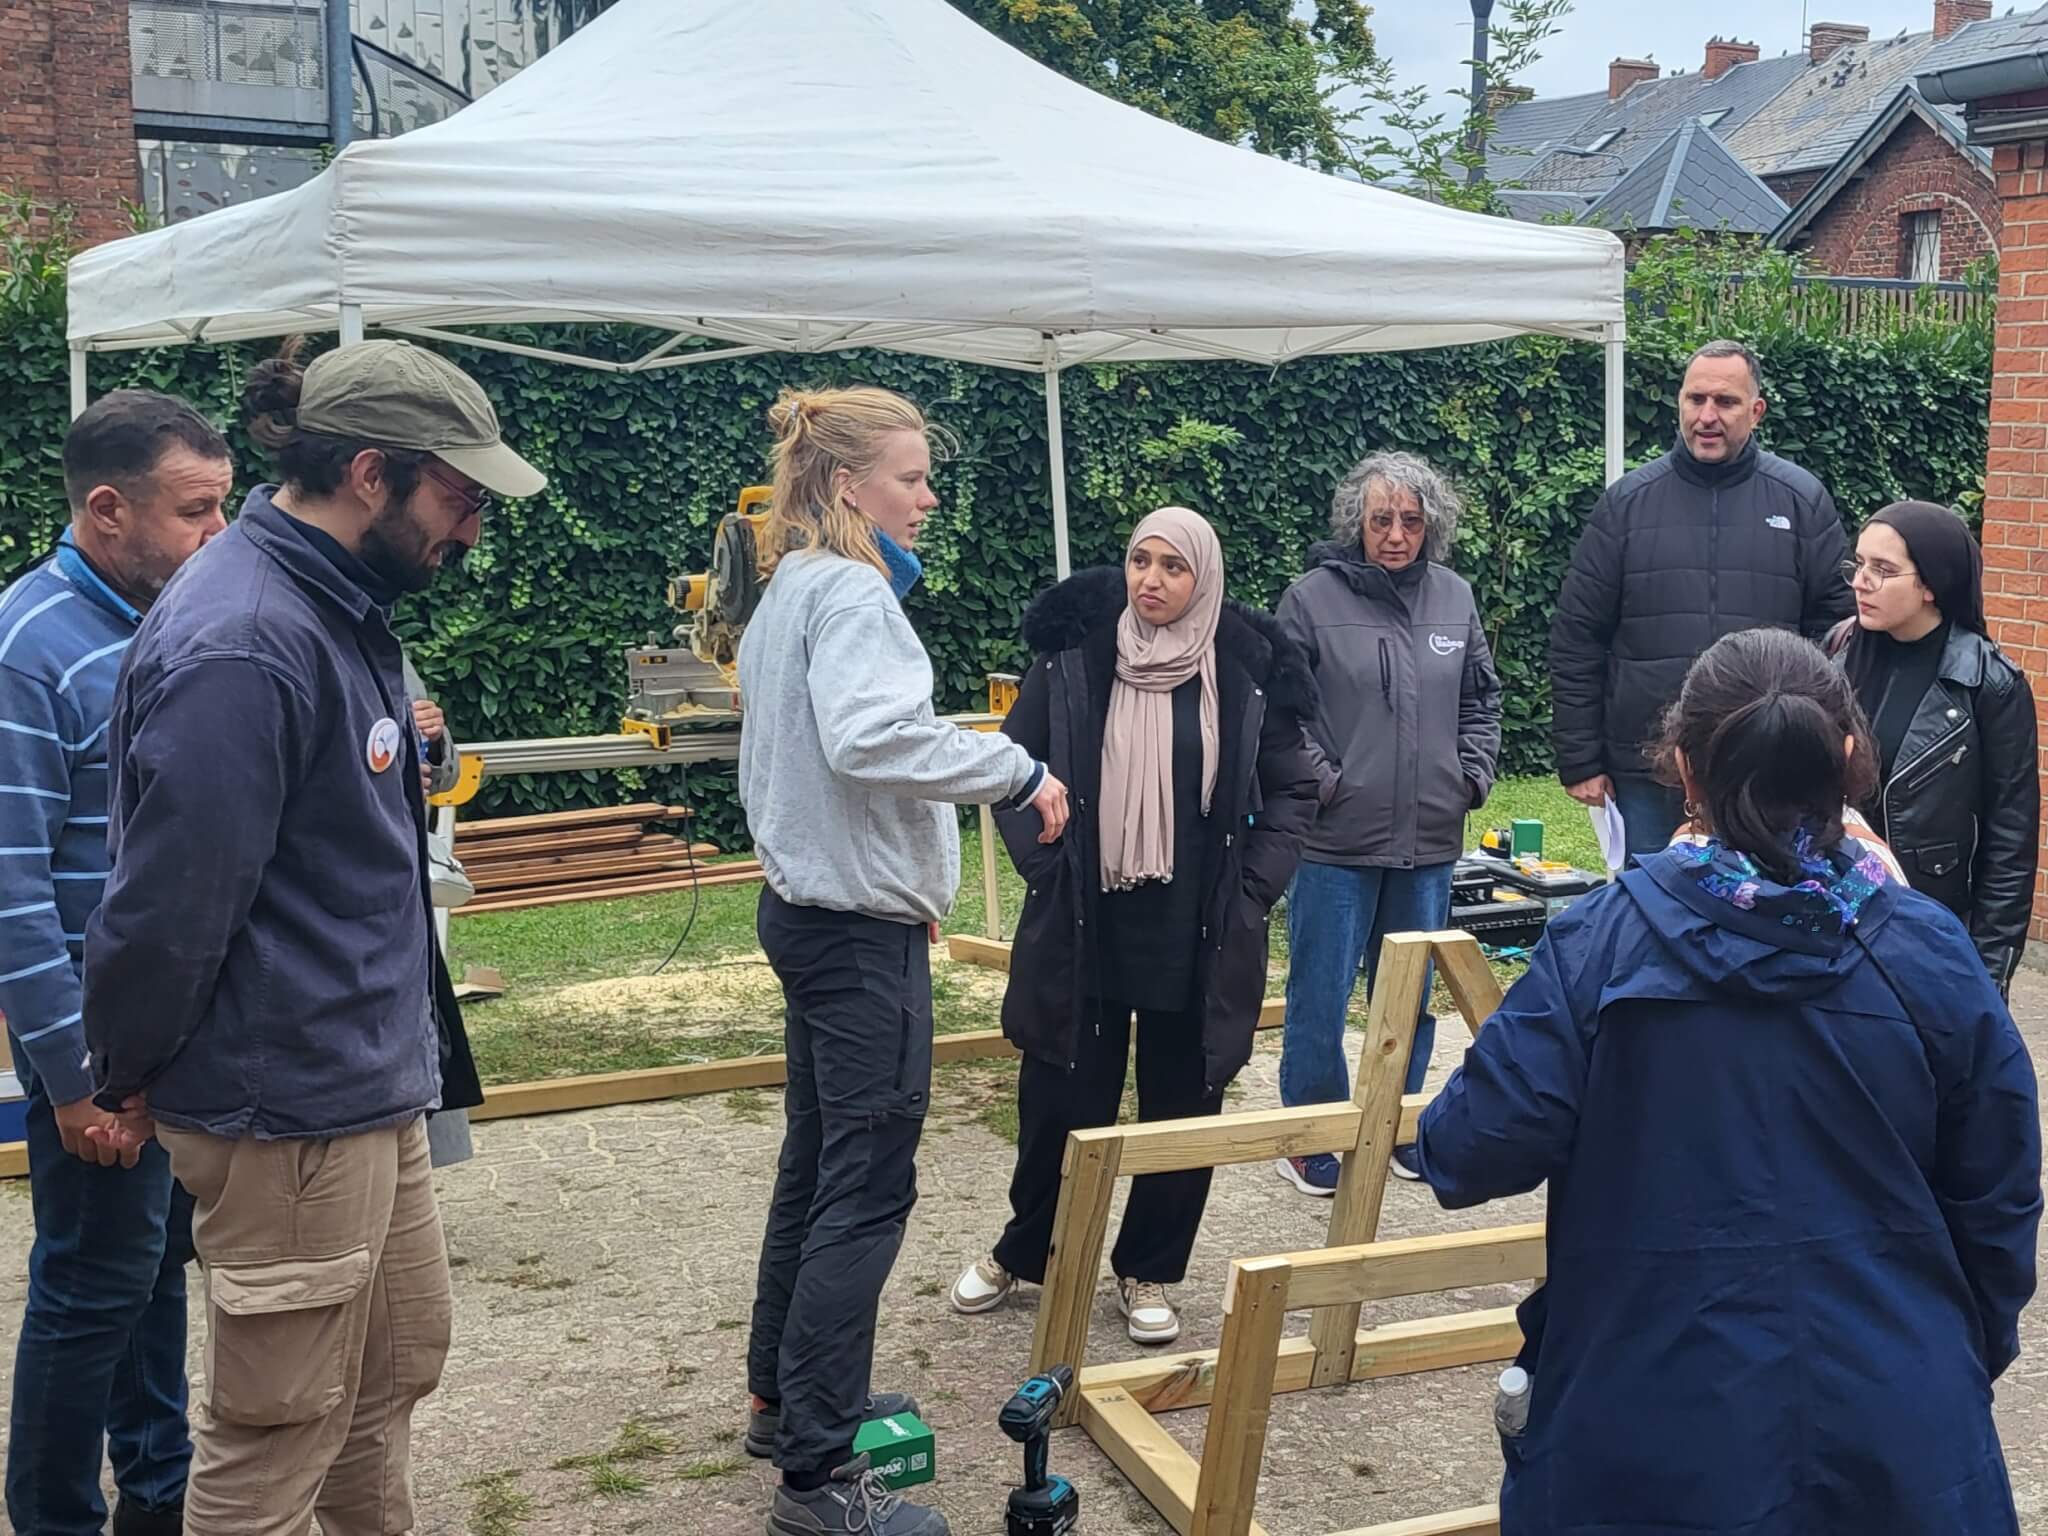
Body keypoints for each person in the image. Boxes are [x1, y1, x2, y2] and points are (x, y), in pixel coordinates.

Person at [1416, 627, 2040, 1536]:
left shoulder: (1601, 943)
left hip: (1649, 1424)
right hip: (1897, 1423)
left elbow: (1466, 1150)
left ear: (1684, 766)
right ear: (1850, 757)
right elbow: (2001, 1197)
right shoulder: (1929, 950)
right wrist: (1949, 1349)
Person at [80, 339, 540, 1536]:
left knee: (386, 1377)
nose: (471, 530)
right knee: (276, 1430)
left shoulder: (332, 605)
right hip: (284, 1104)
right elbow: (167, 911)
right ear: (372, 472)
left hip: (363, 1084)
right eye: (462, 496)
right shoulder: (247, 640)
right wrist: (125, 1070)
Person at [735, 385, 1068, 1536]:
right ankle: (819, 1477)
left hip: (813, 912)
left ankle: (785, 1403)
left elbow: (810, 759)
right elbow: (870, 738)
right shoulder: (849, 593)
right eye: (911, 479)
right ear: (846, 485)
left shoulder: (790, 588)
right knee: (865, 1187)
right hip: (850, 934)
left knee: (817, 1162)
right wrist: (1017, 769)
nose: (926, 499)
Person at [948, 507, 1319, 1345]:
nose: (1151, 579)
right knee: (1059, 1099)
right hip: (1086, 920)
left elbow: (1297, 787)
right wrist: (1047, 867)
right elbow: (1012, 768)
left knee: (1181, 1107)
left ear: (1204, 578)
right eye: (1140, 560)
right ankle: (1027, 1251)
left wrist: (1253, 889)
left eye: (1173, 567)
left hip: (1199, 928)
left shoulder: (1244, 669)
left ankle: (1149, 1268)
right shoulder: (1075, 657)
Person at [2, 391, 231, 1536]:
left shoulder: (168, 618)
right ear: (106, 510)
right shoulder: (27, 648)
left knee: (150, 1270)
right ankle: (53, 1520)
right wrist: (73, 1080)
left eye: (224, 506)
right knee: (91, 1286)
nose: (219, 534)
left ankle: (157, 1496)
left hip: (165, 1027)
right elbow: (11, 890)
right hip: (95, 1048)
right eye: (195, 511)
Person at [1272, 453, 1501, 1193]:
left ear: (1432, 525)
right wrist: (1326, 785)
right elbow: (1281, 714)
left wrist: (1469, 775)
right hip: (1334, 841)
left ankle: (1399, 1125)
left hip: (1428, 840)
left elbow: (1481, 699)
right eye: (1381, 520)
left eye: (1410, 520)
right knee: (1321, 994)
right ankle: (1313, 1134)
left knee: (1410, 994)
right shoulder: (1309, 600)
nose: (1396, 535)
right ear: (1357, 523)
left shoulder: (1455, 598)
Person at [1550, 339, 1853, 859]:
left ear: (1756, 411)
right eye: (1696, 399)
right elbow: (1578, 635)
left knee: (1763, 899)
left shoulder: (1801, 501)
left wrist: (1823, 743)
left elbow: (1835, 637)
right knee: (1651, 902)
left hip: (1769, 762)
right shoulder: (1626, 504)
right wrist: (1580, 759)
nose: (1707, 416)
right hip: (1648, 767)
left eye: (1726, 402)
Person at [1831, 501, 2038, 992]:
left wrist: (1988, 973)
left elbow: (2010, 840)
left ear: (1931, 585)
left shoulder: (1989, 684)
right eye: (1858, 564)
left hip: (1930, 923)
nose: (1861, 582)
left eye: (1883, 570)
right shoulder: (1838, 651)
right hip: (1835, 915)